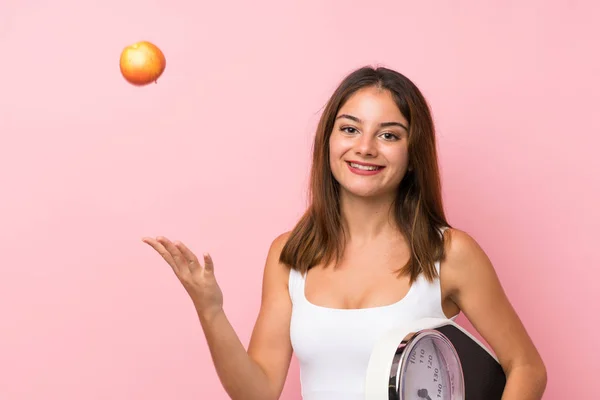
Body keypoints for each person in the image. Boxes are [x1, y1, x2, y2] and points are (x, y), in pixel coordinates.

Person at [142, 66, 547, 400]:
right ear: (329, 141)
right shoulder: (290, 256)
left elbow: (526, 367)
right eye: (350, 129)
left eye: (389, 135)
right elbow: (258, 392)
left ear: (411, 156)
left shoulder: (449, 253)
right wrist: (210, 310)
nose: (366, 147)